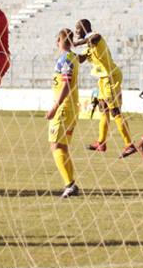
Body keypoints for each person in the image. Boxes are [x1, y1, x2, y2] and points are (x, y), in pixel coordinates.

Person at [73, 19, 136, 158]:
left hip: (111, 77)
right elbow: (82, 58)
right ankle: (101, 142)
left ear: (84, 28)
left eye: (77, 29)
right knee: (103, 109)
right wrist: (68, 53)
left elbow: (95, 37)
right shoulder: (89, 44)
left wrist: (76, 43)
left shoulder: (94, 37)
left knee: (115, 111)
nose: (76, 32)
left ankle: (129, 144)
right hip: (102, 79)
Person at [47, 29, 81, 199]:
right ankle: (71, 183)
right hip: (72, 108)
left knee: (55, 145)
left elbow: (66, 84)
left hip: (64, 108)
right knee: (63, 147)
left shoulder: (65, 59)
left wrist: (55, 106)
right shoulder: (73, 57)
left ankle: (70, 185)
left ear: (59, 40)